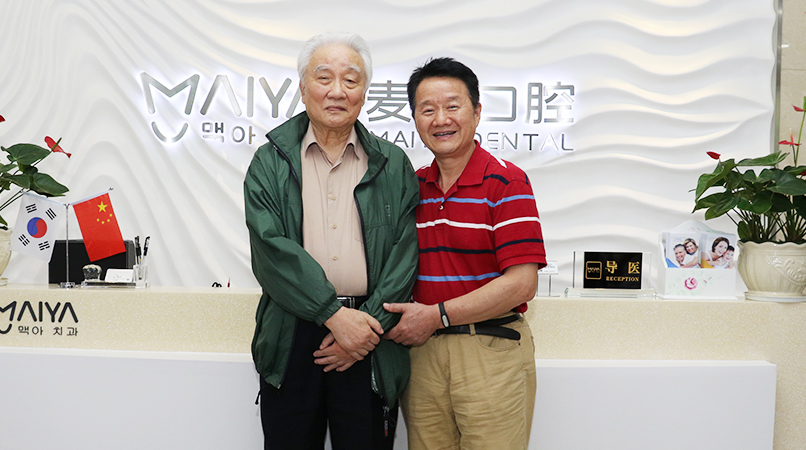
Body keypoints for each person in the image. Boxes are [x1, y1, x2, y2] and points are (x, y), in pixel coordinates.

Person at [243, 32, 419, 450]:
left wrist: (365, 330)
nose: (337, 91)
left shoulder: (393, 164)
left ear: (365, 92)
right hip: (292, 333)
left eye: (351, 80)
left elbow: (405, 257)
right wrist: (333, 316)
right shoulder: (270, 161)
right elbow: (271, 252)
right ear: (303, 87)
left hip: (370, 335)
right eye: (324, 78)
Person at [383, 57, 547, 450]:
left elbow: (522, 283)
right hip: (423, 355)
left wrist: (437, 315)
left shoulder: (506, 181)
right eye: (427, 109)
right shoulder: (411, 187)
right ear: (415, 118)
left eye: (453, 106)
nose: (441, 119)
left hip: (489, 350)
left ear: (476, 112)